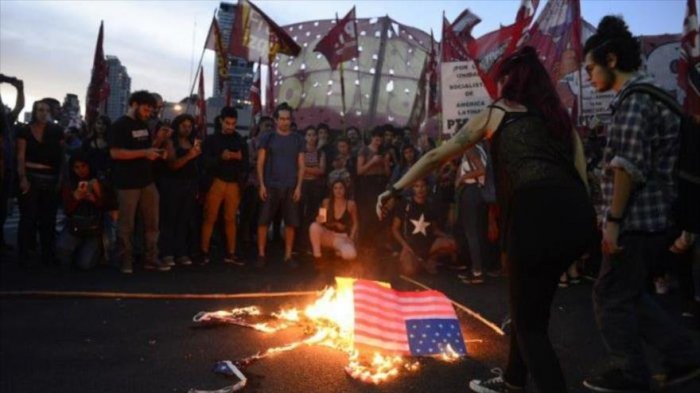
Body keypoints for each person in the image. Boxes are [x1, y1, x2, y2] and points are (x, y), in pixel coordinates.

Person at [377, 46, 596, 393]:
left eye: (503, 78)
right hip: (575, 217)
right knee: (530, 311)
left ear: (513, 80)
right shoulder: (558, 119)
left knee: (528, 326)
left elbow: (438, 154)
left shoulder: (500, 112)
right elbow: (583, 177)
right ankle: (512, 380)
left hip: (535, 214)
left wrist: (395, 187)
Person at [581, 16, 700, 392]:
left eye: (590, 67)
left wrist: (612, 221)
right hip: (655, 219)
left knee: (610, 296)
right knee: (630, 293)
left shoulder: (634, 101)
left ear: (611, 60)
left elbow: (627, 168)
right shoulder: (654, 95)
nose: (587, 76)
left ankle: (630, 372)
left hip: (636, 221)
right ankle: (682, 355)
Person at [109, 90, 170, 274]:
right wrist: (144, 153)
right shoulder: (119, 125)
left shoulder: (144, 125)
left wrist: (157, 151)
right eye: (145, 109)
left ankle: (151, 257)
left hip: (147, 180)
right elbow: (115, 153)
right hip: (127, 183)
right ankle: (125, 259)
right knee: (126, 224)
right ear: (134, 104)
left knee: (152, 222)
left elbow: (146, 147)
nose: (148, 113)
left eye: (150, 110)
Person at [256, 103, 305, 269]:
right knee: (263, 221)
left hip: (290, 186)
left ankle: (288, 256)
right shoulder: (267, 138)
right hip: (270, 185)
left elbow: (301, 165)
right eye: (282, 119)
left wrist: (298, 186)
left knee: (290, 223)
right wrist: (261, 185)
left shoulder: (298, 139)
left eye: (287, 119)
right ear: (276, 120)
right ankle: (261, 254)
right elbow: (260, 162)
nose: (285, 122)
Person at [16, 100, 65, 266]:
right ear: (35, 111)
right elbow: (20, 156)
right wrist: (22, 178)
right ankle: (23, 254)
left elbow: (62, 156)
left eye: (46, 110)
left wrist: (60, 178)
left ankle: (48, 255)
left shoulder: (57, 131)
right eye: (40, 110)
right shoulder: (25, 130)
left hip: (50, 178)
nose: (43, 113)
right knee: (27, 218)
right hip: (30, 176)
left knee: (48, 219)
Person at [200, 107, 247, 265]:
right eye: (228, 123)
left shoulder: (239, 140)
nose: (230, 126)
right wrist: (221, 158)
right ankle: (203, 251)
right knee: (210, 218)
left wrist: (237, 158)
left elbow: (246, 163)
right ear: (221, 121)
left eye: (233, 123)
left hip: (233, 183)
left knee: (231, 219)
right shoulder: (212, 140)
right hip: (217, 181)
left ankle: (231, 252)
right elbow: (205, 162)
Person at [158, 114, 201, 267]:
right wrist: (189, 156)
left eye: (190, 126)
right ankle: (166, 252)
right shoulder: (171, 142)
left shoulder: (192, 142)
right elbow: (173, 165)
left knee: (184, 219)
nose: (187, 129)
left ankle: (181, 252)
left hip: (189, 184)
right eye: (184, 126)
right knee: (170, 219)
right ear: (177, 126)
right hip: (173, 184)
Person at [391, 178, 457, 276]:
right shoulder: (406, 205)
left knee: (452, 244)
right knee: (409, 271)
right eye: (417, 186)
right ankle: (418, 262)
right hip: (411, 245)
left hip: (428, 243)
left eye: (422, 186)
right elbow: (394, 229)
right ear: (413, 189)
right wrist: (404, 246)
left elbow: (434, 229)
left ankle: (431, 258)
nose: (420, 189)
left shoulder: (430, 205)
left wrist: (447, 237)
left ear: (426, 188)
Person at [57, 152, 105, 269]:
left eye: (84, 166)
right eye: (77, 167)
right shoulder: (69, 184)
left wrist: (95, 197)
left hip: (93, 228)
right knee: (63, 256)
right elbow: (66, 210)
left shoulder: (97, 181)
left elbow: (108, 206)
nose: (81, 170)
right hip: (75, 226)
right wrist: (75, 198)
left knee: (85, 264)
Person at [455, 142, 489, 284]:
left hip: (471, 192)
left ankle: (477, 272)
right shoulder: (481, 148)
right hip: (477, 193)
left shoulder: (470, 148)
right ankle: (477, 268)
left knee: (471, 234)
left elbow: (481, 170)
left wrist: (462, 178)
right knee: (476, 232)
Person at [309, 179, 358, 268]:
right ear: (332, 190)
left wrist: (351, 238)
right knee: (314, 226)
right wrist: (319, 219)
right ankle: (317, 257)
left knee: (350, 255)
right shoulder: (326, 202)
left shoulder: (351, 204)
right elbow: (321, 220)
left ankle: (336, 252)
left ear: (345, 190)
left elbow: (355, 223)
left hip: (341, 237)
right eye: (335, 188)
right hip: (328, 235)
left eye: (341, 188)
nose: (338, 191)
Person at [0, 74, 24, 252]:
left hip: (6, 170)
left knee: (2, 209)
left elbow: (19, 107)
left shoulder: (7, 123)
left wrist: (19, 88)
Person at [356, 127, 390, 246]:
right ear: (372, 137)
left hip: (380, 183)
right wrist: (372, 162)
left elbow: (387, 173)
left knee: (380, 212)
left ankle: (378, 241)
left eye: (381, 139)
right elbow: (359, 171)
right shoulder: (364, 151)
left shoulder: (384, 152)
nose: (378, 141)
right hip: (368, 184)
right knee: (368, 212)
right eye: (376, 138)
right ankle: (364, 240)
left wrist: (386, 163)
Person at [298, 126, 326, 251]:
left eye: (313, 135)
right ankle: (298, 243)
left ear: (317, 137)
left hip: (315, 186)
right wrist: (311, 170)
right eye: (308, 135)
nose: (311, 137)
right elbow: (298, 169)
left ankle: (311, 241)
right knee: (299, 213)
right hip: (302, 184)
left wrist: (305, 169)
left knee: (314, 213)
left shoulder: (320, 152)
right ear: (305, 137)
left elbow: (321, 170)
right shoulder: (300, 151)